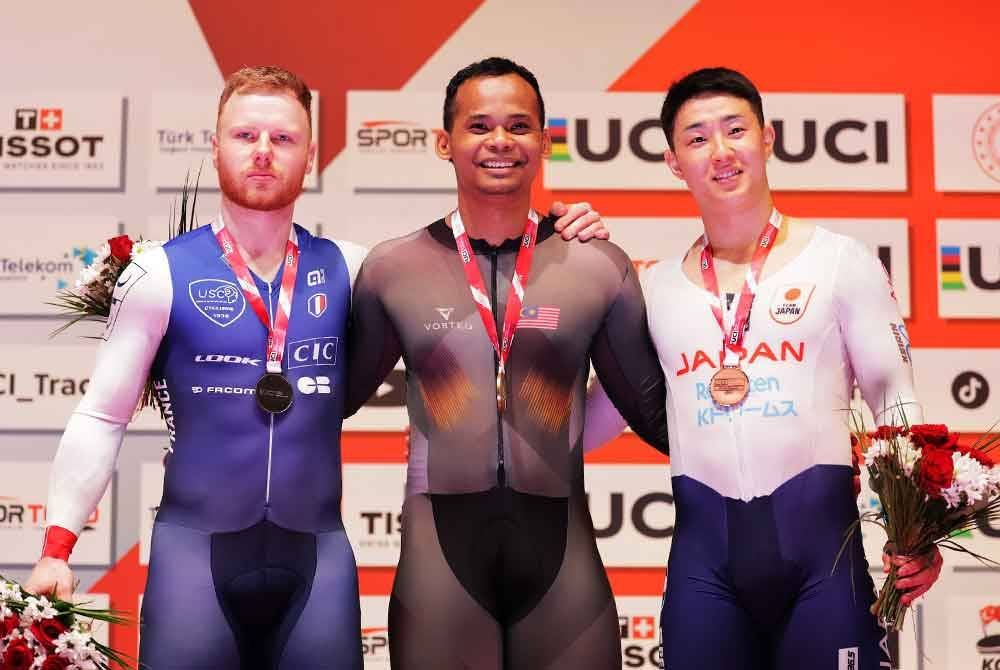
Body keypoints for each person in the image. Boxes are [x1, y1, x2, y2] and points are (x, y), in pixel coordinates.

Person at [23, 65, 604, 670]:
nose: (263, 152)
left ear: (311, 156)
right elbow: (102, 415)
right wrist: (57, 548)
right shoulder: (158, 275)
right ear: (215, 147)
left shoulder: (356, 271)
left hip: (317, 570)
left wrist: (561, 234)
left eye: (283, 138)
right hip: (193, 563)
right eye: (245, 136)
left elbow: (468, 276)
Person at [583, 67, 942, 670]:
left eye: (735, 130)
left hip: (826, 571)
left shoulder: (840, 262)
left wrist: (916, 532)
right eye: (697, 138)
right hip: (705, 578)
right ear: (673, 162)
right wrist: (483, 434)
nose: (721, 152)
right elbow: (590, 422)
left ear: (767, 138)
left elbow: (894, 399)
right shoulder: (655, 289)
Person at [345, 56, 669, 669]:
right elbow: (325, 401)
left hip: (563, 563)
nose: (500, 141)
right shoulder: (393, 269)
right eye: (479, 126)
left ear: (544, 143)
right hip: (439, 566)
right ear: (444, 143)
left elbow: (660, 418)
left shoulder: (597, 265)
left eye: (519, 126)